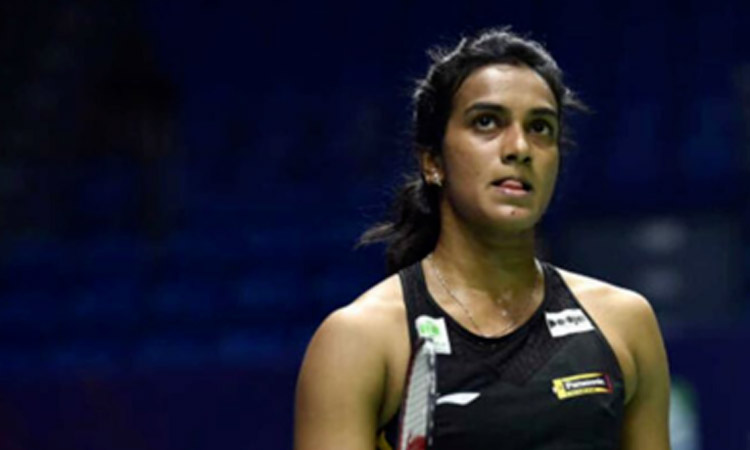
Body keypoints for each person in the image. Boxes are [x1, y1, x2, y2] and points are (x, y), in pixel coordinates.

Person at [294, 28, 671, 449]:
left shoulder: (625, 323)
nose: (519, 147)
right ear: (432, 161)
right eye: (486, 122)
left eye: (540, 127)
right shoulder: (362, 340)